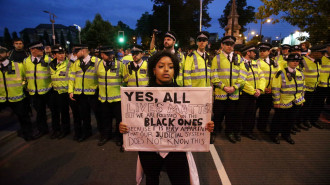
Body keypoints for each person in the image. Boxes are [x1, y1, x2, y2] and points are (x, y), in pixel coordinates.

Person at [119, 51, 214, 185]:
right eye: (161, 66)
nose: (166, 70)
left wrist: (205, 125)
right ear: (153, 70)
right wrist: (124, 126)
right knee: (151, 180)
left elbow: (192, 119)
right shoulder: (140, 94)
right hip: (149, 149)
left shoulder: (185, 94)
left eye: (170, 66)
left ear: (175, 70)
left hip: (176, 149)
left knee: (180, 180)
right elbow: (134, 118)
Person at [210, 36, 247, 143]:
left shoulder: (239, 58)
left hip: (233, 94)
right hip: (220, 93)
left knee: (231, 116)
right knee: (217, 116)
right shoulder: (216, 58)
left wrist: (234, 87)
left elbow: (243, 75)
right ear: (222, 45)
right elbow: (213, 75)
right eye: (227, 44)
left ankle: (229, 133)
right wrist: (223, 87)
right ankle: (214, 133)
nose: (229, 46)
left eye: (231, 44)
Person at [0, 46, 35, 141]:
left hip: (17, 96)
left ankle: (28, 134)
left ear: (7, 54)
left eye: (2, 52)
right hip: (1, 98)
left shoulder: (17, 66)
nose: (0, 54)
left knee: (24, 117)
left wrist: (22, 87)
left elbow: (26, 78)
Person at [68, 44, 101, 142]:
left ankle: (103, 133)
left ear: (82, 51)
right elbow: (71, 78)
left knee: (99, 115)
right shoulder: (76, 63)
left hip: (94, 94)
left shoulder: (96, 61)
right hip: (81, 95)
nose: (74, 54)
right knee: (84, 116)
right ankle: (87, 132)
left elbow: (102, 77)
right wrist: (70, 91)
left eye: (75, 52)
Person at [271, 54, 305, 144]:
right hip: (283, 102)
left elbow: (303, 87)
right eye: (293, 61)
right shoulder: (281, 73)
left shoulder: (300, 73)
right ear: (288, 62)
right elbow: (275, 88)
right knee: (278, 120)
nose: (295, 63)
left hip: (296, 101)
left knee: (291, 120)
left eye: (297, 61)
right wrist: (276, 101)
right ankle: (274, 135)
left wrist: (301, 99)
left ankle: (286, 135)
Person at [23, 42, 53, 138]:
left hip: (48, 91)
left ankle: (56, 128)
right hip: (34, 92)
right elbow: (24, 76)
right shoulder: (26, 61)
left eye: (42, 48)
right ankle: (43, 130)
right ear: (32, 50)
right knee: (40, 113)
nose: (42, 50)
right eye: (39, 48)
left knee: (54, 111)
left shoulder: (48, 59)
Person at [96, 46, 124, 147]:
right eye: (108, 54)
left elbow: (125, 79)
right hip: (104, 98)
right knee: (105, 119)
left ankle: (119, 138)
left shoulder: (119, 64)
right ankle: (106, 136)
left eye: (111, 54)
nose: (111, 56)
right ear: (102, 55)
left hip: (117, 98)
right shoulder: (98, 64)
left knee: (119, 120)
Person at [238, 45, 265, 140]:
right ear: (247, 52)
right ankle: (237, 132)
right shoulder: (239, 63)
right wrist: (253, 91)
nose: (255, 53)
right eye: (253, 51)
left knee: (251, 114)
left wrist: (260, 89)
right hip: (244, 94)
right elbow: (241, 80)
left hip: (255, 93)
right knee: (240, 114)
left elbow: (262, 77)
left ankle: (248, 131)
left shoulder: (255, 63)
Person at [255, 43, 279, 133]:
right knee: (252, 111)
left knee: (265, 112)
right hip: (259, 91)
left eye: (264, 51)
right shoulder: (256, 62)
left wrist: (272, 88)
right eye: (260, 51)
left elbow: (277, 77)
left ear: (269, 52)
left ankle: (262, 128)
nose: (262, 52)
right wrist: (262, 88)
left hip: (269, 92)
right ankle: (249, 128)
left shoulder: (275, 63)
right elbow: (256, 77)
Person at [49, 45, 71, 139]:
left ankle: (65, 130)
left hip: (65, 92)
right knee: (54, 113)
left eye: (63, 53)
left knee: (64, 112)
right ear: (54, 54)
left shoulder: (69, 63)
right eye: (59, 53)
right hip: (54, 91)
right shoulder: (51, 64)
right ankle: (56, 130)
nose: (62, 55)